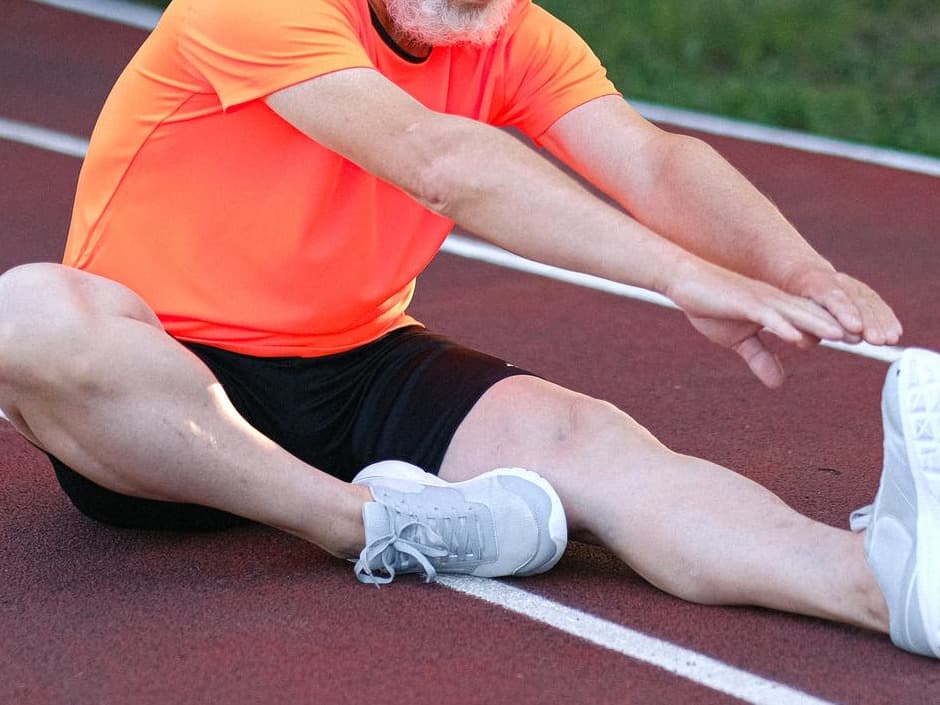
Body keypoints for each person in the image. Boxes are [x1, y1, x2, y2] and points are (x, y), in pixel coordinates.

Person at [0, 0, 937, 658]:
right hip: (154, 380)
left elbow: (651, 163)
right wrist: (679, 275)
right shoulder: (256, 2)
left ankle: (878, 580)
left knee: (585, 439)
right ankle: (362, 523)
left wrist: (795, 267)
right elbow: (435, 159)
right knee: (27, 314)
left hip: (356, 363)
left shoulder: (512, 32)